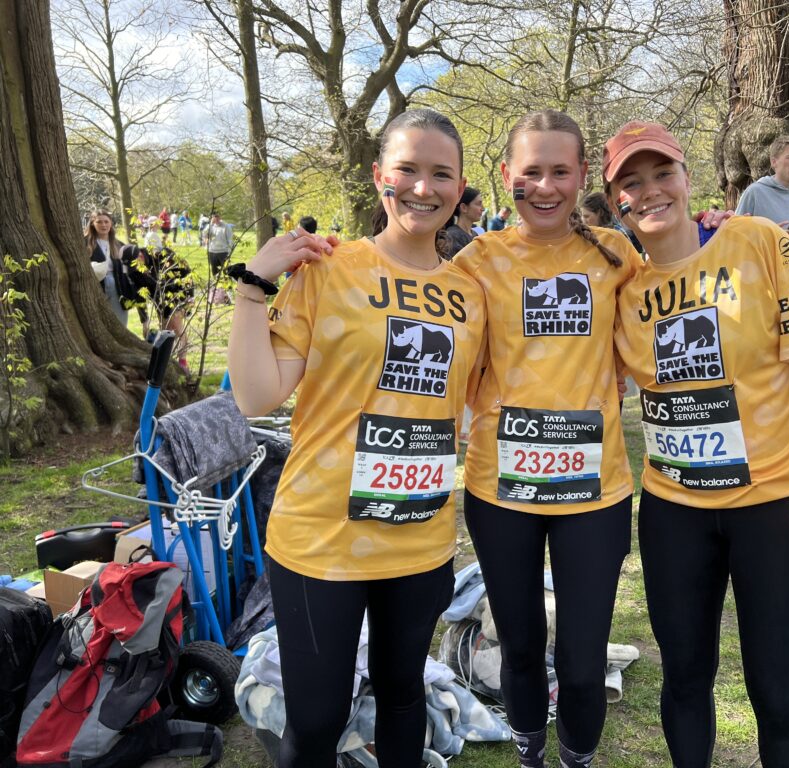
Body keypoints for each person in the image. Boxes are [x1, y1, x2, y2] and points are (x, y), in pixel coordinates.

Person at [227, 109, 485, 768]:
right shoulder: (331, 269)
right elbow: (258, 396)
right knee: (317, 718)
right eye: (407, 170)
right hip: (321, 536)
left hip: (419, 535)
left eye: (441, 174)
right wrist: (254, 290)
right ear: (379, 178)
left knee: (404, 699)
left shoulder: (472, 294)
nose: (423, 188)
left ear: (459, 188)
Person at [603, 120, 789, 768]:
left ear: (687, 179)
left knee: (778, 695)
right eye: (632, 183)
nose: (650, 191)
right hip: (674, 512)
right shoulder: (621, 288)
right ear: (614, 203)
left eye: (662, 174)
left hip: (777, 508)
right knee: (684, 680)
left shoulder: (758, 242)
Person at [453, 109, 642, 768]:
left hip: (595, 492)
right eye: (530, 171)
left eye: (561, 171)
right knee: (523, 647)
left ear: (583, 175)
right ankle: (532, 756)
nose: (546, 186)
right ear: (507, 176)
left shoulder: (617, 254)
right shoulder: (476, 260)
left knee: (584, 663)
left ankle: (577, 761)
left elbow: (666, 321)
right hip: (499, 489)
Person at [734, 135, 789, 259]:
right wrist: (772, 237)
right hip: (764, 272)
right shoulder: (755, 192)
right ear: (774, 162)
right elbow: (736, 235)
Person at [123, 244, 194, 369]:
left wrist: (190, 298)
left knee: (177, 328)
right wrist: (144, 321)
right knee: (165, 329)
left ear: (140, 255)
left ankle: (183, 363)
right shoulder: (134, 271)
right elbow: (140, 295)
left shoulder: (162, 255)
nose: (134, 268)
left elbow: (186, 273)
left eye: (135, 263)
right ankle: (168, 360)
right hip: (160, 300)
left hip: (178, 293)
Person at [85, 210, 132, 325]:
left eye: (106, 221)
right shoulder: (85, 243)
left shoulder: (119, 245)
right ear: (92, 224)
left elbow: (128, 269)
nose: (103, 225)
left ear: (111, 224)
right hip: (94, 285)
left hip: (117, 286)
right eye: (99, 222)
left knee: (120, 322)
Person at [445, 186, 483, 258]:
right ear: (464, 208)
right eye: (478, 204)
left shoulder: (475, 234)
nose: (482, 209)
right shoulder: (452, 236)